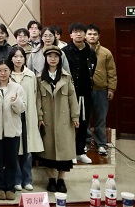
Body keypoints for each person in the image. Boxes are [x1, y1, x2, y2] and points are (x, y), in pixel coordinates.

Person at [36, 45, 79, 194]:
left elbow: (72, 97)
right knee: (47, 153)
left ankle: (61, 180)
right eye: (50, 56)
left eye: (56, 56)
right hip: (47, 119)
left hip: (64, 119)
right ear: (45, 59)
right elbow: (37, 100)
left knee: (64, 151)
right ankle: (51, 179)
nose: (53, 59)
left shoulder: (66, 77)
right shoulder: (40, 78)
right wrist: (39, 117)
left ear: (60, 59)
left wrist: (75, 116)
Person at [0, 59, 26, 201]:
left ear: (10, 71)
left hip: (12, 130)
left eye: (5, 70)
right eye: (0, 70)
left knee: (11, 160)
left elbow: (22, 108)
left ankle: (10, 187)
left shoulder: (18, 88)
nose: (3, 73)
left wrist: (16, 102)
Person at [8, 46, 43, 192]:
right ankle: (16, 179)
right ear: (11, 59)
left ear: (25, 59)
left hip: (29, 114)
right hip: (13, 114)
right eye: (15, 56)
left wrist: (39, 116)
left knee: (28, 148)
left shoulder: (30, 75)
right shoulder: (7, 75)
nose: (18, 59)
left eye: (21, 57)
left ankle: (27, 179)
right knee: (15, 148)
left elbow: (36, 96)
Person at [62, 22, 97, 164]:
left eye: (81, 31)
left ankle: (80, 152)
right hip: (69, 93)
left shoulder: (90, 52)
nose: (78, 34)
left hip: (86, 93)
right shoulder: (65, 51)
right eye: (75, 31)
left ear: (85, 35)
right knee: (69, 122)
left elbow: (92, 70)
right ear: (71, 35)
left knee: (83, 122)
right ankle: (70, 152)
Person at [86, 24, 117, 156]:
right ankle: (86, 143)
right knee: (85, 119)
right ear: (85, 36)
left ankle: (101, 144)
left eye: (95, 34)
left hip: (101, 90)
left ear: (98, 36)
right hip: (85, 91)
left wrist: (111, 88)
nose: (92, 36)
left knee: (100, 119)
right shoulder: (81, 51)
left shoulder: (106, 52)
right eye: (89, 34)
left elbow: (111, 71)